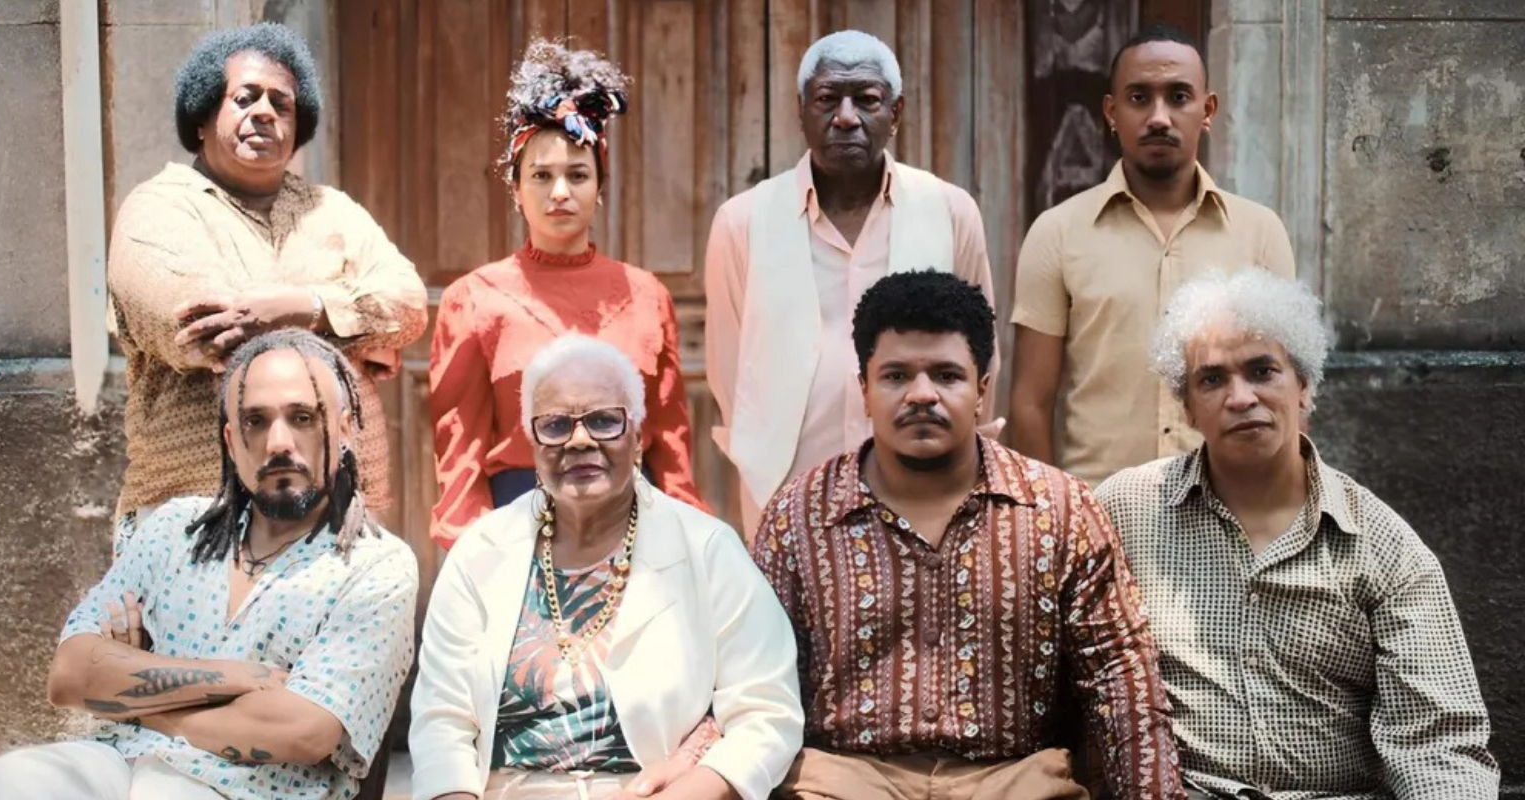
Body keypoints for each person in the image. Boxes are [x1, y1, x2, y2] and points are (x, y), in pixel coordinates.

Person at [753, 271, 1184, 800]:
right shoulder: (800, 515)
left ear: (982, 390)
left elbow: (1123, 681)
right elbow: (754, 684)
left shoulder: (1059, 509)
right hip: (843, 781)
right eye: (895, 376)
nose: (921, 394)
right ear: (864, 390)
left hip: (1015, 780)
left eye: (946, 375)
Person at [1095, 268, 1498, 800]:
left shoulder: (1383, 545)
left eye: (1263, 371)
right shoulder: (1126, 512)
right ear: (1188, 407)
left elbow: (1436, 744)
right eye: (1212, 379)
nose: (1241, 397)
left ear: (1304, 385)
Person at [0, 330, 419, 800]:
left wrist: (135, 689)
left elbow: (304, 730)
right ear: (230, 439)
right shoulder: (174, 528)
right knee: (13, 781)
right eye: (255, 421)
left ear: (346, 429)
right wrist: (246, 677)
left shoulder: (375, 566)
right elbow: (71, 674)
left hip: (248, 788)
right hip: (119, 760)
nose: (278, 442)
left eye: (302, 417)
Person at [410, 334, 803, 800]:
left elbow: (767, 711)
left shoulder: (708, 549)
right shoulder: (481, 552)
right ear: (532, 444)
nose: (579, 440)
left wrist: (694, 792)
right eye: (555, 425)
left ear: (637, 436)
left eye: (602, 421)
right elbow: (442, 719)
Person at [107, 23, 426, 521]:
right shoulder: (157, 210)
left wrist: (303, 308)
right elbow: (207, 332)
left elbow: (407, 303)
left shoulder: (332, 208)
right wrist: (356, 335)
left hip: (342, 514)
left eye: (282, 104)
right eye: (245, 98)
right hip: (199, 516)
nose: (264, 113)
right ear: (202, 118)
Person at [706, 30, 1000, 536]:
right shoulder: (743, 221)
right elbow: (729, 369)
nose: (846, 117)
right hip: (784, 494)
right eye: (827, 99)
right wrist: (762, 455)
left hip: (924, 494)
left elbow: (980, 353)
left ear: (896, 111)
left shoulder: (949, 211)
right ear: (802, 110)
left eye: (866, 99)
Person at [429, 40, 706, 549]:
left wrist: (689, 542)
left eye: (577, 175)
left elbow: (670, 442)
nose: (560, 191)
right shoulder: (474, 299)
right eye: (541, 176)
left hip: (636, 530)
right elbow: (460, 447)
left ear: (600, 186)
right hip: (517, 527)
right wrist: (471, 553)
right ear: (515, 189)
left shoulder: (646, 295)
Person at [1009, 23, 1294, 487]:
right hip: (1098, 516)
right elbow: (1029, 402)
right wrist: (1054, 521)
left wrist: (1276, 512)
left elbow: (1288, 395)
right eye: (1139, 98)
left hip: (1226, 515)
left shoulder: (1260, 232)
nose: (1159, 117)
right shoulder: (1058, 233)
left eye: (1179, 97)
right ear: (1111, 111)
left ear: (1208, 109)